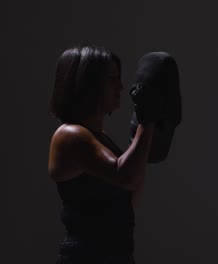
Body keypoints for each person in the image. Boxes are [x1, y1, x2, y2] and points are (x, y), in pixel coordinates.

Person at [48, 46, 158, 263]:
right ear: (89, 83)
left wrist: (145, 133)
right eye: (112, 79)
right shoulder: (70, 135)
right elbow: (124, 175)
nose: (121, 87)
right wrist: (147, 119)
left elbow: (128, 199)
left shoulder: (101, 138)